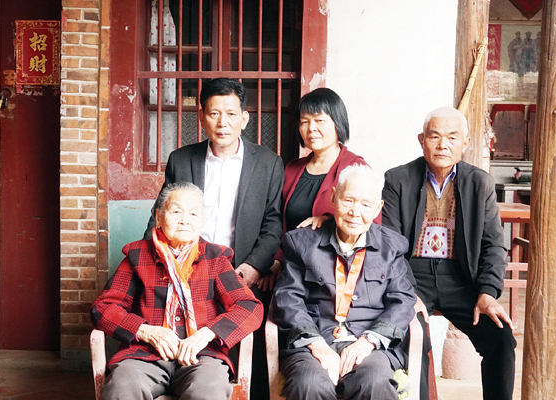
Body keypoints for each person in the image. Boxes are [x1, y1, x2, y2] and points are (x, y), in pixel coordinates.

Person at [143, 78, 284, 397]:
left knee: (249, 354)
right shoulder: (182, 159)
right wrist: (159, 264)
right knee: (188, 356)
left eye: (231, 114)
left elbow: (273, 222)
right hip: (187, 272)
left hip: (241, 271)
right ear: (202, 116)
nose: (223, 122)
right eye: (214, 113)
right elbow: (160, 216)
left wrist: (254, 266)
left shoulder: (268, 163)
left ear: (244, 118)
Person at [382, 106, 517, 400]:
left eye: (452, 137)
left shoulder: (480, 183)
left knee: (501, 338)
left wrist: (487, 292)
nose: (443, 144)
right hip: (413, 275)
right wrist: (406, 291)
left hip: (461, 278)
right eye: (435, 136)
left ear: (465, 143)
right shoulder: (397, 179)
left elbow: (494, 244)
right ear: (422, 140)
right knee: (409, 336)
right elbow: (390, 244)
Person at [91, 182, 263, 400]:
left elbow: (249, 307)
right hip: (144, 355)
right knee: (122, 387)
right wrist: (146, 331)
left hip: (201, 357)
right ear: (159, 217)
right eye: (176, 211)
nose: (185, 220)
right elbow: (103, 307)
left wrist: (208, 333)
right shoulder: (138, 255)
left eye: (193, 213)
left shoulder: (215, 258)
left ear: (202, 220)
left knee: (208, 390)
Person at [273, 164, 416, 400]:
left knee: (374, 383)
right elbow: (288, 299)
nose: (354, 212)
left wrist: (368, 341)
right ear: (333, 197)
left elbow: (402, 301)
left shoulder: (391, 247)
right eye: (348, 200)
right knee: (308, 384)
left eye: (365, 205)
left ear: (377, 208)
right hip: (314, 343)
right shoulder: (301, 243)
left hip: (368, 344)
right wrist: (317, 346)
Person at [271, 88, 381, 279]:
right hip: (293, 271)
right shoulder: (291, 169)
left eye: (319, 120)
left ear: (338, 122)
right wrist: (276, 261)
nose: (311, 128)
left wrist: (329, 220)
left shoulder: (356, 169)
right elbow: (278, 223)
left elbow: (373, 225)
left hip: (338, 273)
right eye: (304, 121)